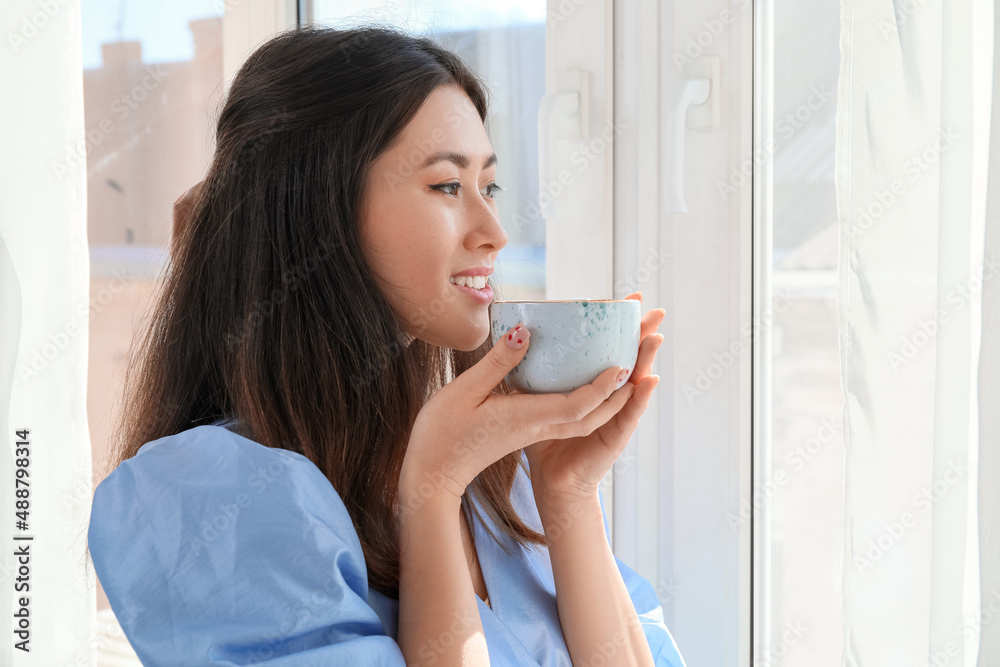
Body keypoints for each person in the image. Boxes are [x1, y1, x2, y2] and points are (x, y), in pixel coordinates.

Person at [86, 24, 687, 667]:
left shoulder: (501, 483)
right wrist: (430, 490)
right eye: (446, 186)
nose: (495, 232)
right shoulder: (212, 494)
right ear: (319, 208)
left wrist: (568, 493)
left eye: (489, 187)